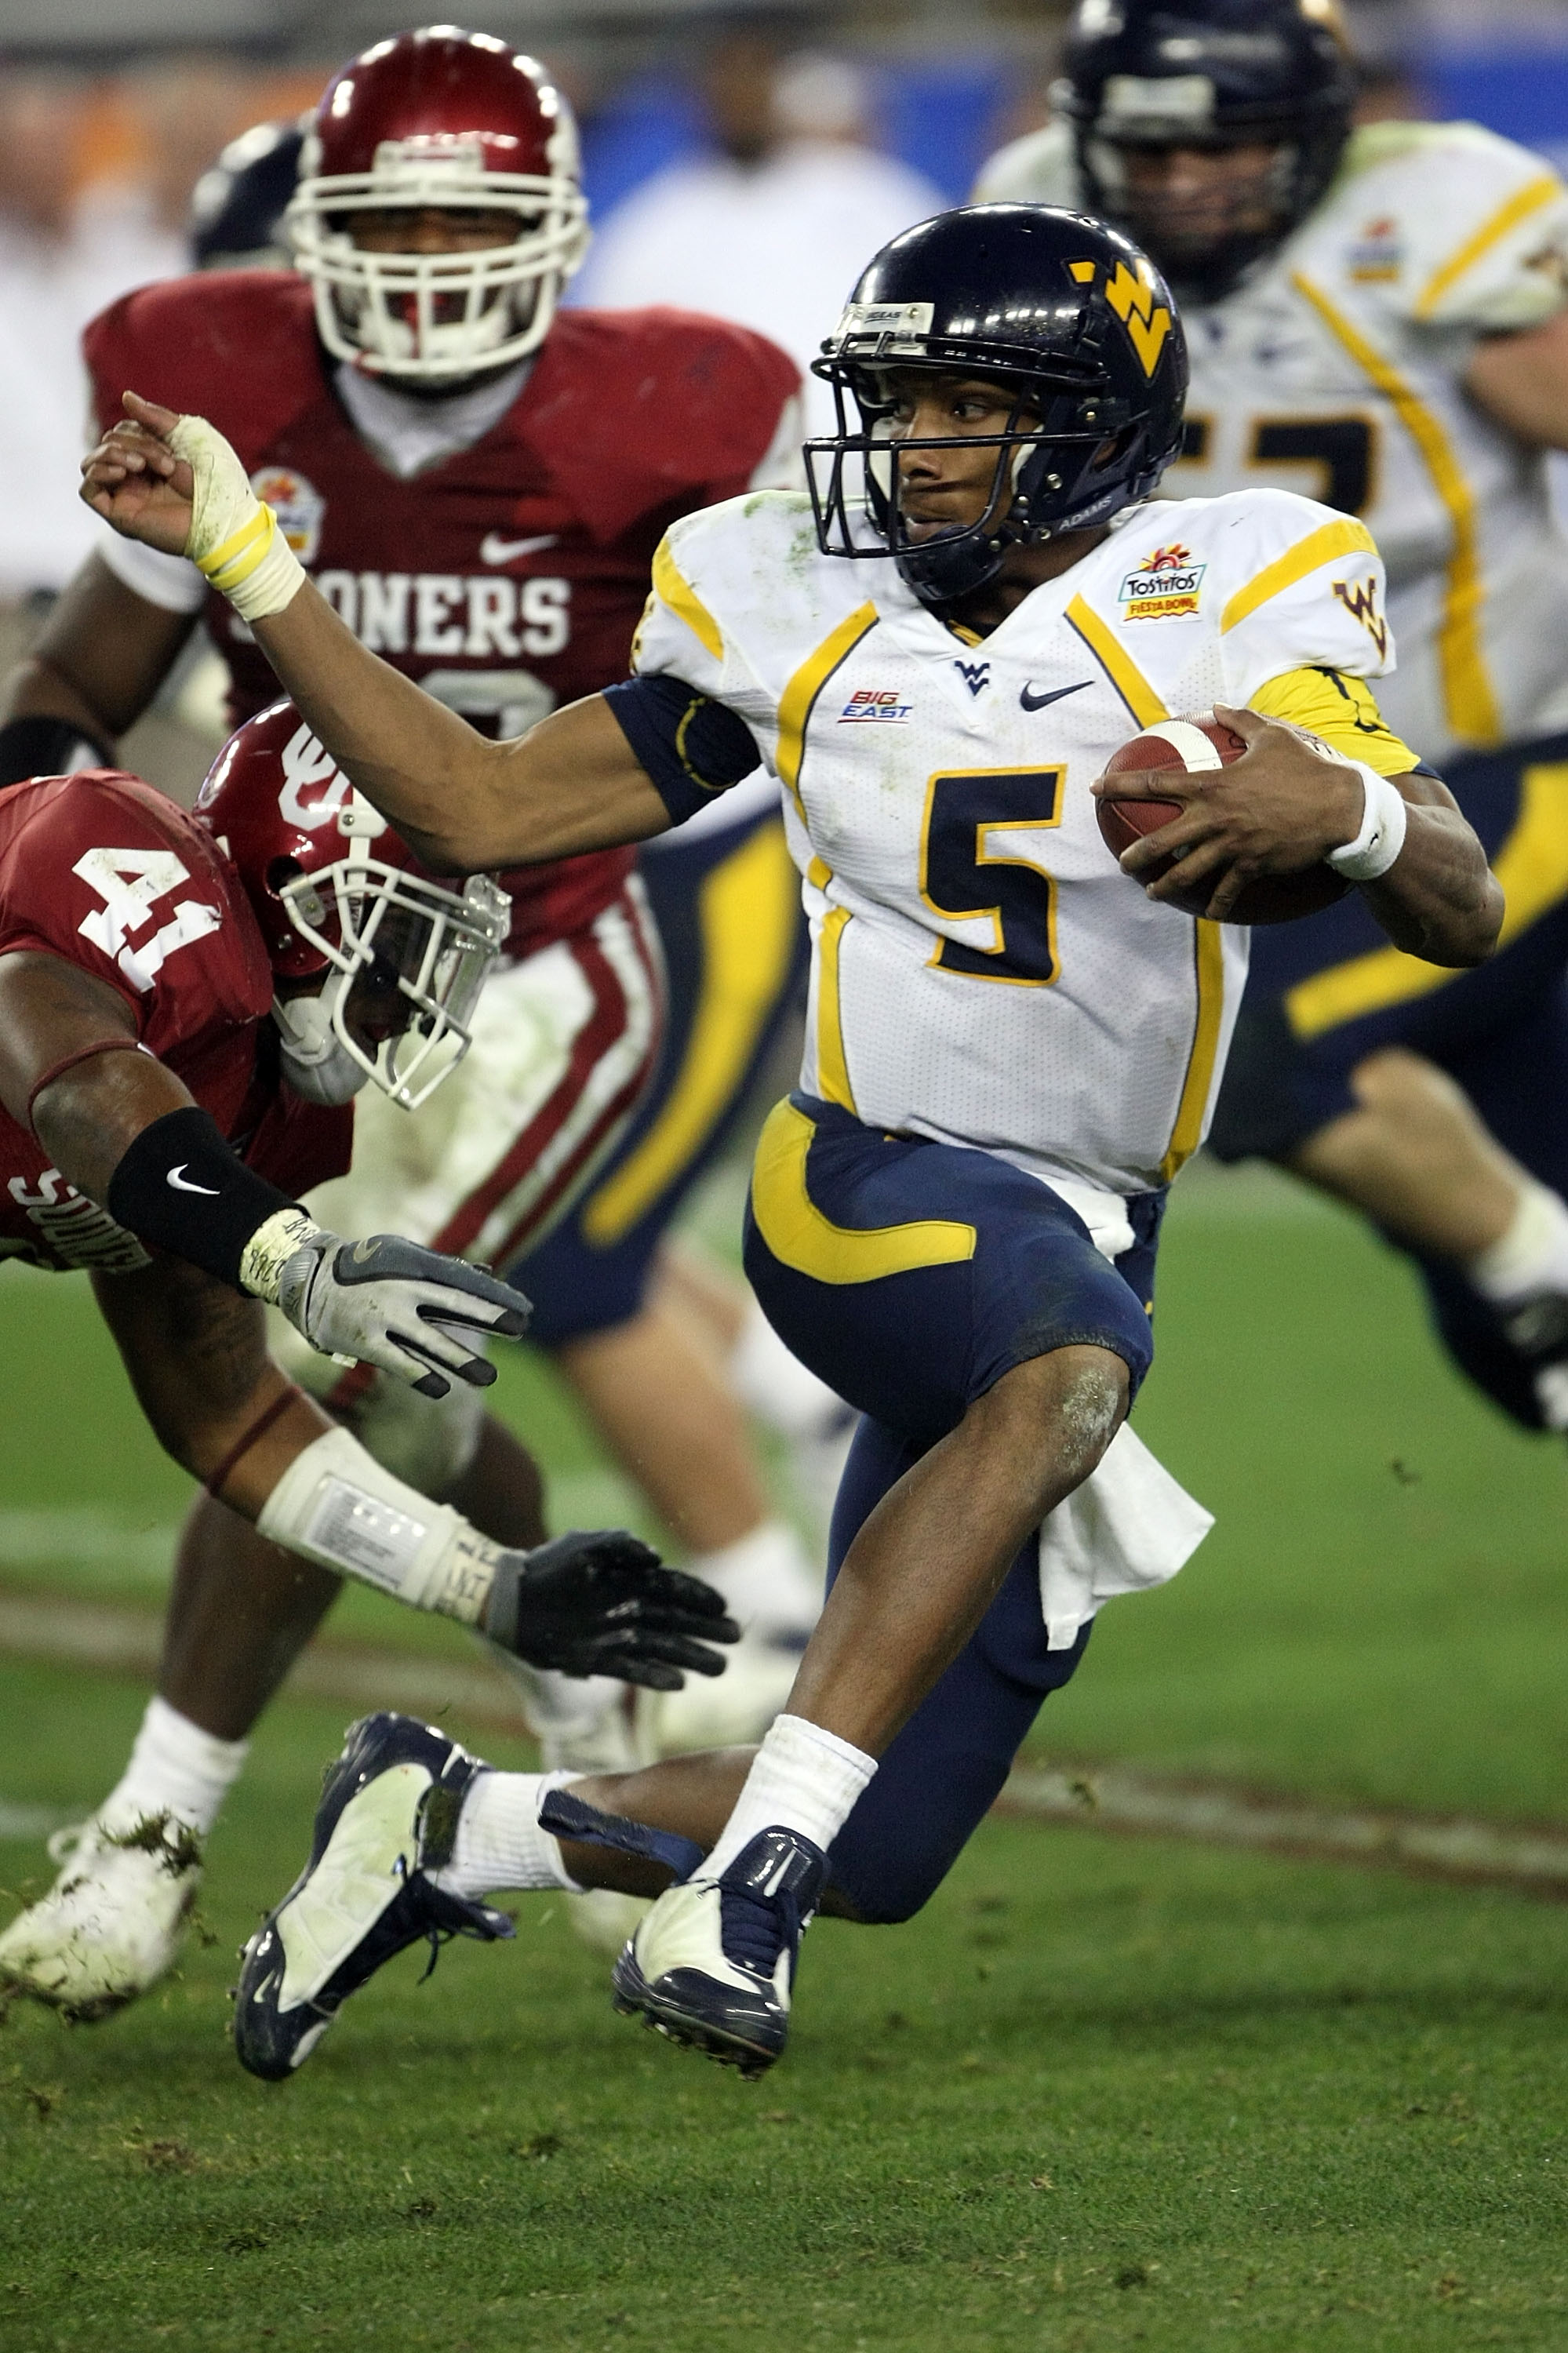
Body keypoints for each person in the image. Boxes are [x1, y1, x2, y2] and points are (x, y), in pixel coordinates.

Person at [82, 200, 1500, 2081]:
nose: (909, 446)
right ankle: (742, 1885)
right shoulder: (784, 584)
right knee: (1065, 1366)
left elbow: (1458, 905)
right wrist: (254, 564)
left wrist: (1352, 813)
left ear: (1093, 419)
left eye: (966, 405)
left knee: (893, 1838)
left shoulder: (1241, 575)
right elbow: (483, 805)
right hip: (862, 1183)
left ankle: (443, 1820)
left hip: (1083, 1220)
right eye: (893, 401)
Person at [0, 25, 821, 1995]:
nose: (441, 257)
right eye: (399, 219)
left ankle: (155, 1824)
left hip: (545, 953)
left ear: (558, 232)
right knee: (415, 1401)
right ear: (315, 232)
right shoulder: (211, 375)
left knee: (354, 1355)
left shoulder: (687, 408)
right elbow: (82, 681)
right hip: (273, 932)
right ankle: (571, 1671)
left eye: (482, 216)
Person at [0, 702, 737, 2018]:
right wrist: (292, 1261)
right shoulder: (130, 896)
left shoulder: (247, 1085)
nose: (417, 982)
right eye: (399, 931)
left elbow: (229, 1425)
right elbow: (60, 1072)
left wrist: (489, 1590)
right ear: (305, 897)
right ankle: (151, 1829)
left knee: (375, 1386)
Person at [976, 0, 1568, 1446]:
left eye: (1224, 141)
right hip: (1242, 803)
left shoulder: (1430, 213)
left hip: (1487, 771)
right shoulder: (1035, 215)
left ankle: (1531, 1258)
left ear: (1316, 131)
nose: (1182, 180)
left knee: (1250, 1061)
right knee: (1506, 1349)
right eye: (1146, 148)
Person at [573, 31, 946, 437]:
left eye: (754, 79)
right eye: (727, 83)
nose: (741, 98)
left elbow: (942, 293)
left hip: (873, 442)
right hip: (723, 465)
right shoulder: (652, 225)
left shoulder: (867, 189)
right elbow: (616, 362)